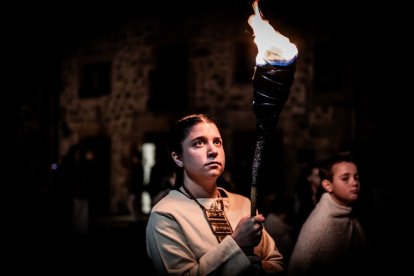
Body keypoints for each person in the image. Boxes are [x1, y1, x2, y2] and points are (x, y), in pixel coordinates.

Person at [146, 113, 284, 275]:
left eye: (217, 142)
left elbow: (277, 262)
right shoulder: (166, 215)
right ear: (178, 158)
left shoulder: (243, 204)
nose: (213, 151)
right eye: (199, 143)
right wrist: (235, 244)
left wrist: (262, 268)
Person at [288, 151, 371, 276]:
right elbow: (297, 269)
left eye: (356, 177)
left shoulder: (348, 212)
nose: (355, 183)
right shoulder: (319, 225)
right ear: (328, 185)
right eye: (345, 178)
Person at [292, 162, 321, 235]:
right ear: (309, 178)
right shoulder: (304, 197)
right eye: (317, 176)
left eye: (321, 175)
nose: (320, 178)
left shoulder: (323, 193)